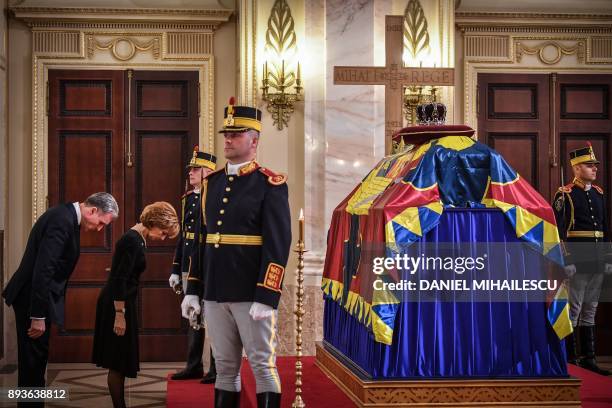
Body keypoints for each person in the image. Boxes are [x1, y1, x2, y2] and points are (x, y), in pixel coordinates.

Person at [182, 97, 291, 408]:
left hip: (250, 294)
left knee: (262, 365)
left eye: (236, 134)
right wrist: (193, 289)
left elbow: (277, 245)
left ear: (254, 141)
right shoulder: (211, 184)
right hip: (215, 293)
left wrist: (267, 295)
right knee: (225, 369)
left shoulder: (270, 185)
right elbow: (202, 242)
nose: (228, 139)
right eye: (226, 135)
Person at [2, 192, 118, 402]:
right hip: (32, 301)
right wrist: (37, 316)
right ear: (93, 210)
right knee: (32, 366)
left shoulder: (66, 217)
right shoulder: (62, 221)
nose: (100, 229)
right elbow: (43, 269)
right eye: (101, 223)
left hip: (36, 299)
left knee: (35, 364)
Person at [92, 202, 179, 408]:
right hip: (117, 305)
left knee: (120, 361)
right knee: (117, 362)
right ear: (154, 223)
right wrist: (120, 314)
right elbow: (119, 279)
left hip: (121, 303)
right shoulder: (132, 241)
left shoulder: (138, 239)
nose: (163, 238)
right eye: (164, 233)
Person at [552, 142, 612, 375]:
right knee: (574, 309)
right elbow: (558, 230)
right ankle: (571, 359)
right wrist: (567, 261)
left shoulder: (598, 194)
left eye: (595, 166)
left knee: (590, 309)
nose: (594, 169)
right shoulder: (565, 194)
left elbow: (605, 228)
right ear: (576, 168)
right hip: (577, 262)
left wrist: (607, 257)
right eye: (589, 165)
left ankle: (590, 359)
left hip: (597, 260)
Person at [169, 146, 218, 383]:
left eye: (196, 169)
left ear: (209, 171)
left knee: (214, 317)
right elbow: (183, 236)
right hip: (191, 263)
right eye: (190, 169)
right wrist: (176, 268)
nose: (190, 173)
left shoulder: (216, 197)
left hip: (209, 264)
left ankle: (217, 368)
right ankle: (193, 364)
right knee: (193, 316)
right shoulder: (188, 199)